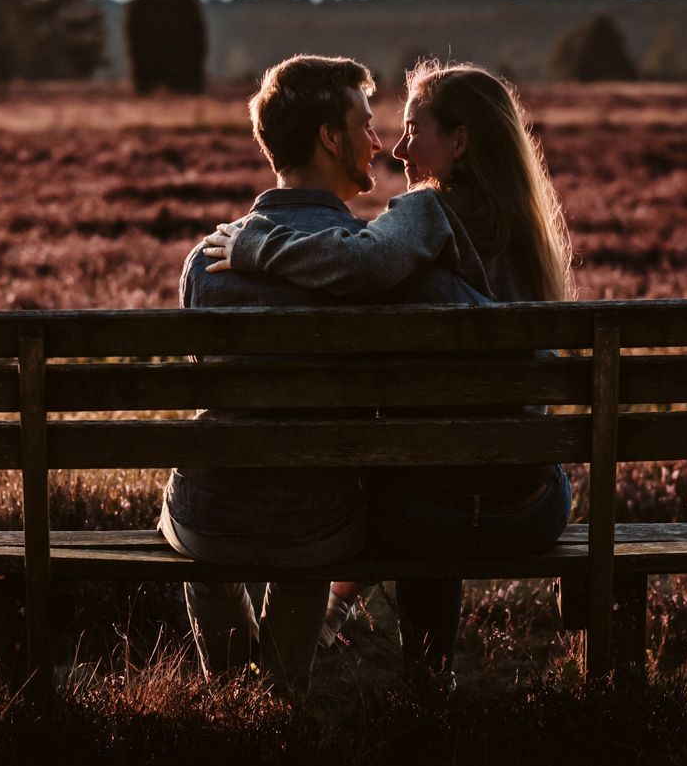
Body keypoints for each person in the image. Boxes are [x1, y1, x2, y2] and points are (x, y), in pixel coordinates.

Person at [201, 61, 575, 692]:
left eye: (413, 130)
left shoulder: (428, 213)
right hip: (532, 510)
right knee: (465, 461)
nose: (397, 148)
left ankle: (418, 679)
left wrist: (258, 245)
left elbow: (364, 262)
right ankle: (396, 657)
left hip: (434, 516)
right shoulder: (533, 238)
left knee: (422, 483)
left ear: (459, 142)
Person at [160, 54, 485, 701]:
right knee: (308, 503)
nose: (379, 143)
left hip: (211, 517)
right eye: (365, 125)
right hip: (320, 525)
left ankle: (229, 700)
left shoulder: (206, 260)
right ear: (329, 139)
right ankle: (282, 696)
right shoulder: (373, 263)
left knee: (195, 508)